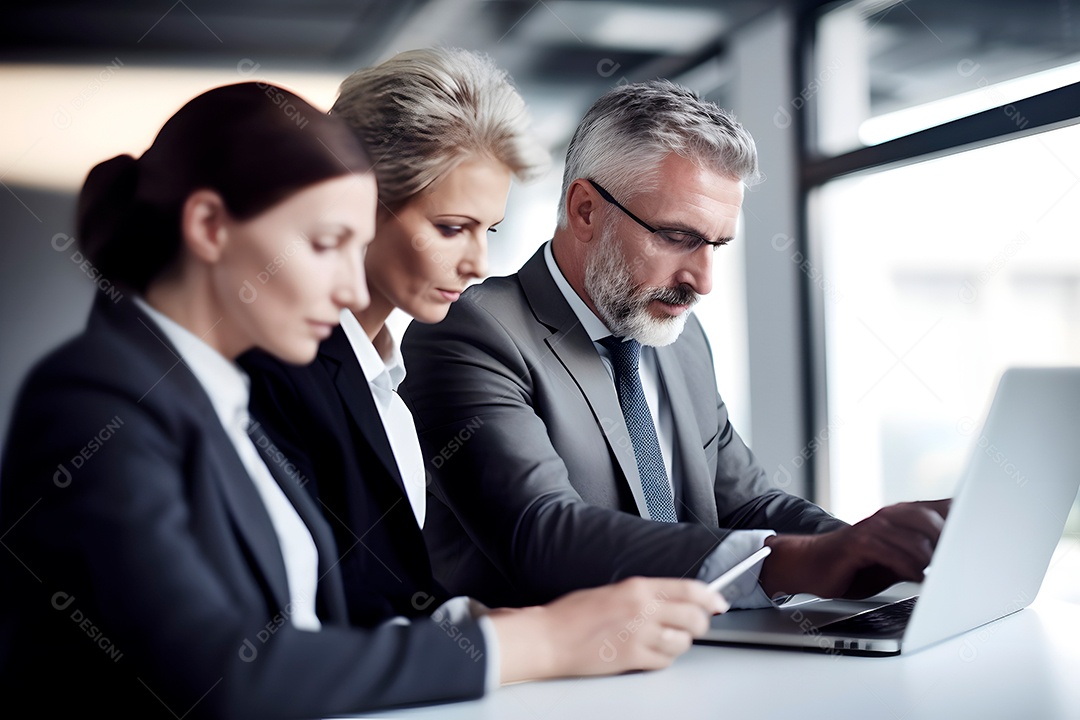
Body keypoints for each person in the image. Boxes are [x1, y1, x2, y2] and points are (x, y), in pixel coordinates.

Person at [0, 81, 722, 720]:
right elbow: (221, 673)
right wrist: (536, 641)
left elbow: (324, 616)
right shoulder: (94, 399)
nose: (351, 289)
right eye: (325, 244)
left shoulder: (211, 397)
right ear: (211, 228)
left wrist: (509, 631)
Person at [399, 79, 951, 609]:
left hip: (692, 649)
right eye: (678, 237)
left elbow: (747, 503)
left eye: (716, 244)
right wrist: (800, 561)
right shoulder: (470, 330)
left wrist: (868, 551)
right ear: (585, 210)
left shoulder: (677, 338)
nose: (702, 281)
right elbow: (542, 534)